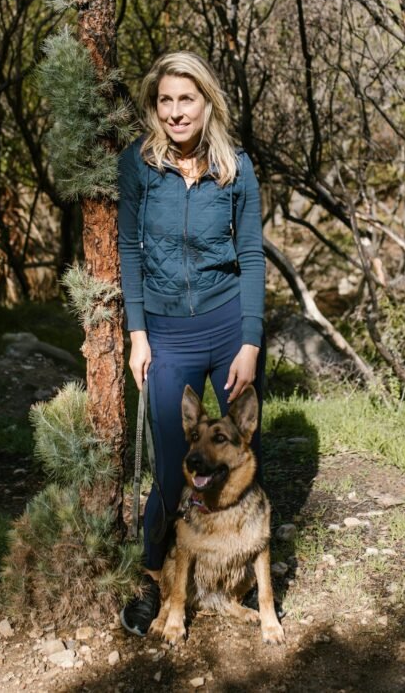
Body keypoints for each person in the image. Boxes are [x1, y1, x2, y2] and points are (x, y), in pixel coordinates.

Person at [117, 51, 266, 636]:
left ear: (207, 104)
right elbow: (129, 250)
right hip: (166, 333)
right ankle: (155, 580)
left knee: (238, 457)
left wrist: (250, 341)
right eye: (166, 101)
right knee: (175, 473)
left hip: (229, 325)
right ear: (155, 107)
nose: (176, 112)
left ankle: (240, 574)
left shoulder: (237, 168)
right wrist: (138, 337)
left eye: (187, 99)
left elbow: (250, 254)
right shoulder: (139, 166)